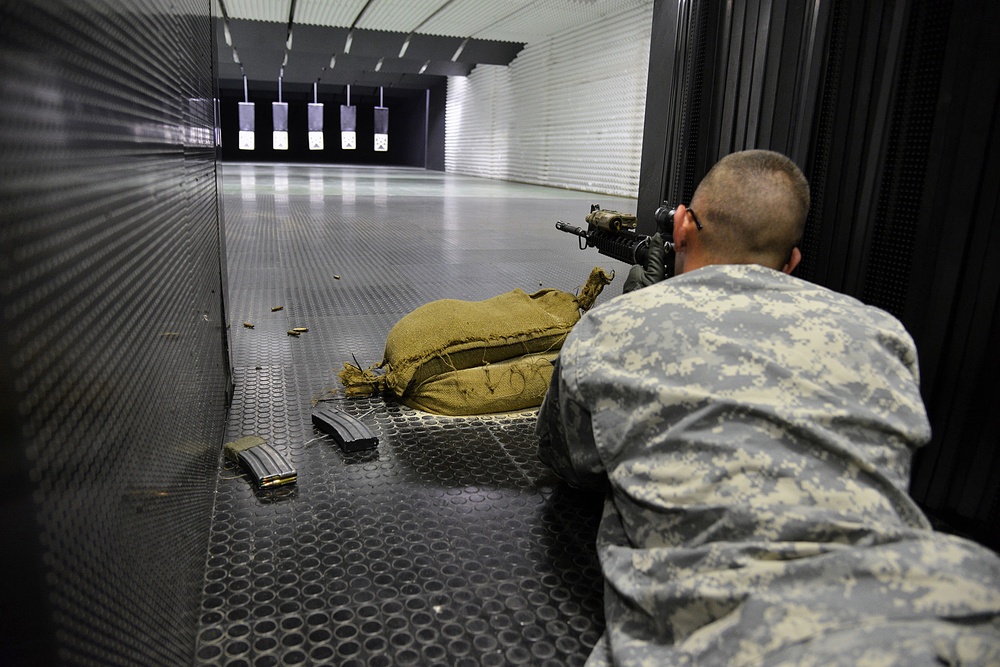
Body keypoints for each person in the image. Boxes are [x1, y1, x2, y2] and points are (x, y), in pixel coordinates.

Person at [536, 150, 1000, 666]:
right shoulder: (882, 333)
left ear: (683, 224)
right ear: (793, 263)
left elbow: (568, 458)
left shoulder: (608, 331)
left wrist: (632, 314)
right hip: (945, 605)